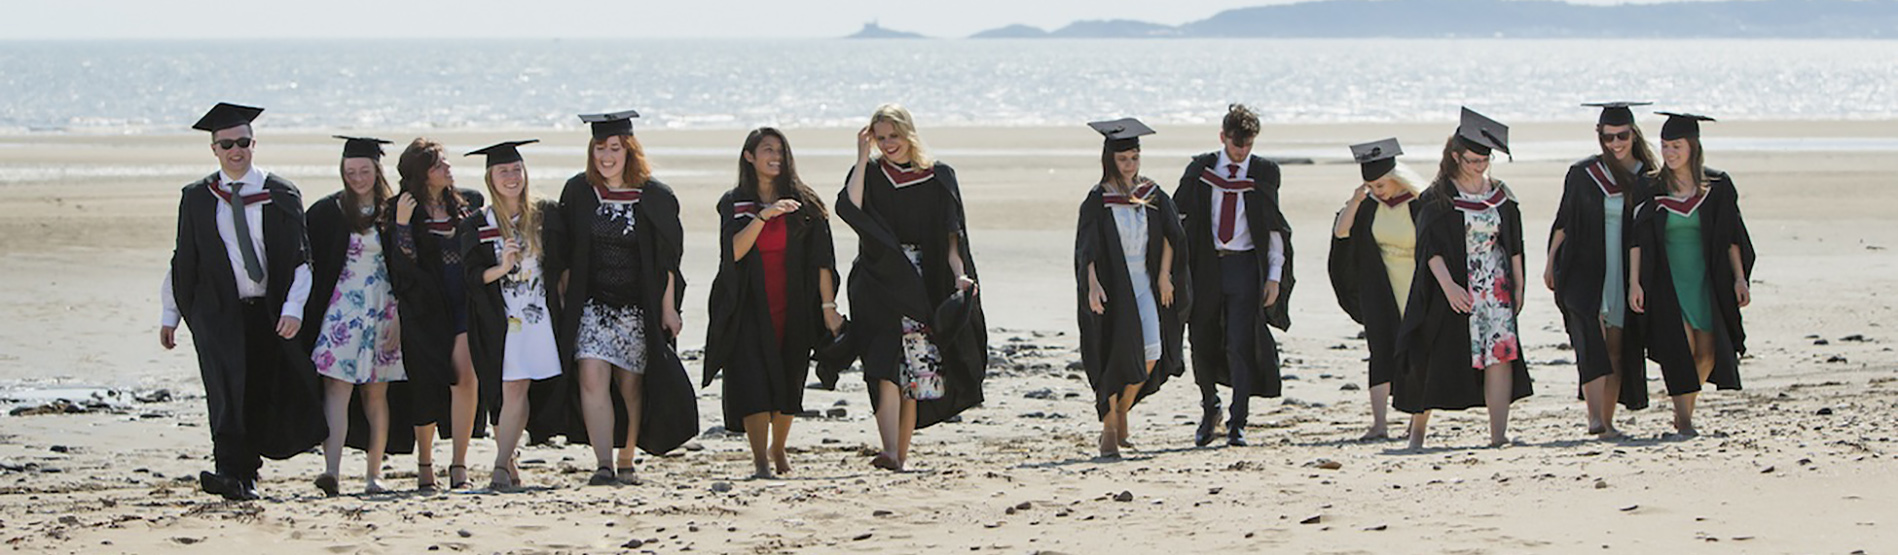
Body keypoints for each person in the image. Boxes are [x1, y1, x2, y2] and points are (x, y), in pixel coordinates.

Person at [158, 102, 326, 500]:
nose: (236, 151)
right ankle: (230, 472)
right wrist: (171, 313)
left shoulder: (281, 193)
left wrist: (293, 309)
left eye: (243, 142)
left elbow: (302, 259)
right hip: (218, 313)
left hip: (268, 312)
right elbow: (184, 259)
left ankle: (247, 473)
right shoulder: (198, 197)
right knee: (223, 390)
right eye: (227, 144)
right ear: (214, 149)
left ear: (254, 143)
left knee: (260, 389)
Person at [546, 110, 698, 486]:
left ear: (630, 150)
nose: (607, 155)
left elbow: (668, 261)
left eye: (615, 147)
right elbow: (564, 251)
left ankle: (627, 456)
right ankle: (603, 463)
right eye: (600, 148)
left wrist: (668, 309)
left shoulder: (655, 196)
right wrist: (565, 299)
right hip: (593, 305)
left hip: (637, 308)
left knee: (631, 386)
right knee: (591, 377)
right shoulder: (579, 191)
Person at [838, 104, 988, 471]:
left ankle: (898, 455)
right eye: (881, 137)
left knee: (912, 372)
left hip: (923, 280)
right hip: (878, 278)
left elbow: (953, 237)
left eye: (895, 136)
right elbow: (849, 208)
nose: (889, 144)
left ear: (909, 133)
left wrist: (959, 275)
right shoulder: (871, 174)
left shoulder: (938, 176)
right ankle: (889, 451)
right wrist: (861, 156)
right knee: (882, 362)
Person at [704, 127, 844, 478]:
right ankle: (760, 460)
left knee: (789, 377)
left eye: (780, 151)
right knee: (751, 380)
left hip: (794, 304)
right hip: (747, 304)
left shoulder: (805, 204)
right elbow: (733, 252)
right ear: (749, 156)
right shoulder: (734, 202)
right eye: (767, 150)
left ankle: (779, 448)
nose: (775, 157)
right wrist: (764, 216)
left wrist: (828, 308)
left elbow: (823, 261)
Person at [1394, 108, 1534, 450]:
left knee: (1500, 355)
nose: (1479, 165)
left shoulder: (1499, 193)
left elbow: (1513, 242)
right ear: (1455, 156)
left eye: (1484, 159)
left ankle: (1498, 435)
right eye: (1472, 160)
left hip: (1495, 287)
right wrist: (1449, 287)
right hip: (1453, 286)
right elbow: (1431, 249)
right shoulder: (1439, 196)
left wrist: (1518, 285)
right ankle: (1417, 434)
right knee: (1432, 351)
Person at [1171, 103, 1295, 447]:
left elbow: (1274, 229)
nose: (1241, 153)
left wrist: (1273, 276)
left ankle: (1238, 419)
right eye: (1236, 144)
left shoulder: (1264, 173)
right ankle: (1210, 405)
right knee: (1201, 340)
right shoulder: (1200, 169)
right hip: (1206, 267)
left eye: (1248, 145)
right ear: (1222, 137)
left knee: (1241, 343)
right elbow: (1177, 219)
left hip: (1244, 268)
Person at [1629, 112, 1755, 438]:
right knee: (1679, 349)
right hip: (1666, 282)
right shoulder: (1650, 185)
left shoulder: (1717, 186)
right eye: (1665, 146)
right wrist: (1634, 283)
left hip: (1706, 281)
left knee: (1707, 352)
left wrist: (1740, 279)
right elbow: (1637, 240)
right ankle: (1683, 419)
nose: (1669, 153)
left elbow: (1731, 238)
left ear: (1693, 146)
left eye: (1676, 146)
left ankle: (1686, 404)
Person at [1075, 118, 1190, 459]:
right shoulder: (1098, 199)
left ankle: (1123, 408)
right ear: (1110, 159)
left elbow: (1173, 235)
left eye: (1135, 158)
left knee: (1152, 353)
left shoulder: (1151, 193)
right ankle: (1110, 429)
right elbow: (1087, 250)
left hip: (1144, 283)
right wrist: (1092, 286)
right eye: (1124, 159)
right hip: (1113, 287)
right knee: (1115, 356)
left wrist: (1165, 275)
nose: (1130, 164)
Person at [303, 135, 410, 496]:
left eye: (365, 170)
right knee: (336, 387)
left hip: (384, 310)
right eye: (350, 171)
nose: (358, 177)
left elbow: (409, 266)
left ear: (377, 170)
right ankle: (330, 471)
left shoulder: (395, 210)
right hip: (342, 310)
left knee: (375, 395)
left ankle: (373, 475)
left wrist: (401, 314)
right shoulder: (327, 211)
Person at [1546, 102, 1659, 439]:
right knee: (1590, 343)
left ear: (1633, 134)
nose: (1615, 143)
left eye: (1622, 136)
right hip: (1585, 270)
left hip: (1625, 274)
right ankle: (1594, 418)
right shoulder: (1583, 174)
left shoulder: (1646, 177)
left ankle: (1607, 421)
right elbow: (1564, 221)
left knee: (1615, 347)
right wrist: (1551, 262)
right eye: (1608, 137)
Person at [461, 140, 566, 491]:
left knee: (521, 389)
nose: (512, 176)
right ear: (490, 177)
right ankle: (501, 466)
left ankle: (505, 465)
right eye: (503, 170)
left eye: (516, 169)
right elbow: (472, 277)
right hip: (501, 321)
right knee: (511, 389)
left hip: (541, 320)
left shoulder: (545, 215)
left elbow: (564, 264)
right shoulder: (478, 223)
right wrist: (501, 267)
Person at [386, 137, 486, 491]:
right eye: (438, 164)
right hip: (424, 307)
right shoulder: (399, 207)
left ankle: (459, 464)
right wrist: (401, 225)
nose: (447, 167)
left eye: (446, 161)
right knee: (426, 383)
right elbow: (402, 267)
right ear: (422, 174)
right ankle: (425, 462)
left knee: (466, 376)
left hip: (464, 301)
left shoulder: (469, 202)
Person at [1327, 138, 1422, 441]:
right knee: (1380, 350)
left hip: (1415, 283)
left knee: (1417, 353)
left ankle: (1415, 422)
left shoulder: (1421, 202)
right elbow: (1342, 232)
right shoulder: (1368, 205)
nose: (1377, 191)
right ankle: (1379, 423)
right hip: (1379, 284)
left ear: (1396, 178)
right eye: (1371, 185)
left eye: (1381, 184)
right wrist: (1356, 200)